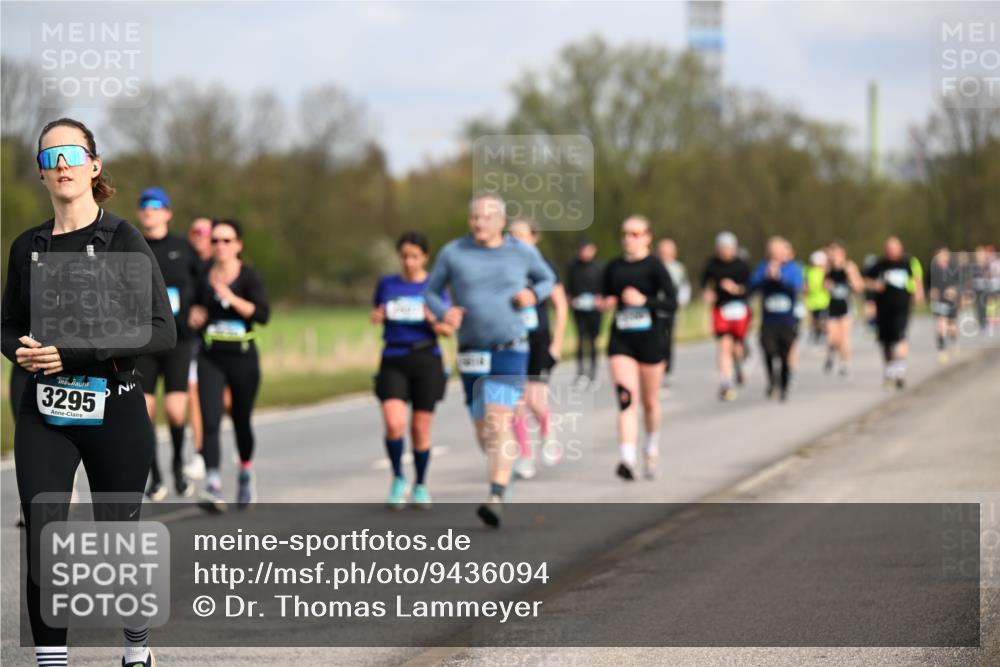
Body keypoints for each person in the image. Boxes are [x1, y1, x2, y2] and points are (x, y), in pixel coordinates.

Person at [2, 117, 176, 667]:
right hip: (44, 408)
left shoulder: (123, 239)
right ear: (40, 172)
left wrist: (75, 353)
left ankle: (136, 646)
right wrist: (19, 351)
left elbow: (161, 330)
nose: (62, 165)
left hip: (114, 407)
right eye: (50, 157)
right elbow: (8, 324)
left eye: (73, 154)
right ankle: (51, 659)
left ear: (94, 166)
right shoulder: (27, 246)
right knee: (44, 531)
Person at [423, 192, 555, 527]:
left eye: (486, 217)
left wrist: (532, 294)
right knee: (483, 429)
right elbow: (430, 291)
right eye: (474, 217)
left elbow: (547, 280)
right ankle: (504, 471)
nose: (479, 223)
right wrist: (444, 312)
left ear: (501, 220)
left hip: (511, 347)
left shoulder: (521, 251)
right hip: (471, 350)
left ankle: (495, 494)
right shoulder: (453, 252)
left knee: (498, 420)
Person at [188, 219, 271, 511]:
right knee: (210, 419)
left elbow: (262, 315)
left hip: (243, 358)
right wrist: (195, 314)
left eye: (226, 240)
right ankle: (213, 483)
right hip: (211, 356)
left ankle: (246, 472)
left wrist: (231, 298)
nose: (220, 246)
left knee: (241, 420)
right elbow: (195, 308)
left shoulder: (249, 276)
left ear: (238, 245)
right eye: (215, 240)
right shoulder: (204, 276)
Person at [371, 231, 454, 509]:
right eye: (405, 256)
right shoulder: (387, 284)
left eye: (414, 257)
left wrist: (434, 321)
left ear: (425, 258)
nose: (409, 262)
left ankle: (420, 483)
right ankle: (398, 478)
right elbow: (376, 313)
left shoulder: (435, 287)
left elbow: (447, 329)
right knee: (394, 423)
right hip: (394, 357)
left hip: (426, 359)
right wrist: (377, 316)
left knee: (419, 428)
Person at [135, 187, 202, 501]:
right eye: (144, 206)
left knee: (176, 411)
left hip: (178, 340)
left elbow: (203, 285)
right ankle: (156, 476)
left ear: (167, 213)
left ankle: (177, 466)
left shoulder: (183, 248)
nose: (149, 210)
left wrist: (200, 309)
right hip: (144, 343)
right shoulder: (132, 247)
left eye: (155, 205)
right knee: (144, 411)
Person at [602, 216, 677, 480]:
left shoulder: (655, 266)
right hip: (621, 341)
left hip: (651, 340)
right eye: (625, 234)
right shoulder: (613, 267)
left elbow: (672, 303)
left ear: (647, 237)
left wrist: (644, 301)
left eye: (635, 234)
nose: (629, 239)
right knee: (626, 399)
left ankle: (651, 448)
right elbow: (606, 295)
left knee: (650, 403)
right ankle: (627, 458)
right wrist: (607, 302)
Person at [508, 219, 569, 478]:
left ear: (534, 237)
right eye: (511, 236)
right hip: (512, 339)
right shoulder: (505, 266)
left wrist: (557, 343)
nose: (516, 241)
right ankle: (525, 455)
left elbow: (561, 305)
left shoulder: (544, 266)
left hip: (539, 339)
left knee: (535, 400)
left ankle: (547, 432)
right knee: (516, 402)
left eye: (521, 236)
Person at [864, 236, 924, 389]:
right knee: (886, 342)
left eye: (894, 248)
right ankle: (889, 371)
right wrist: (874, 285)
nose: (891, 251)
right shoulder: (879, 265)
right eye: (889, 248)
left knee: (900, 336)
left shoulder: (908, 263)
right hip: (883, 309)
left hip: (901, 307)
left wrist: (919, 293)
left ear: (900, 248)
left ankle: (900, 369)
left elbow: (917, 279)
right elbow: (865, 281)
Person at [749, 237, 804, 401]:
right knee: (768, 350)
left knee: (785, 354)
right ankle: (772, 379)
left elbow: (797, 286)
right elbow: (752, 286)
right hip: (769, 321)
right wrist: (766, 277)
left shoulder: (792, 268)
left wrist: (779, 277)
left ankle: (784, 383)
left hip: (787, 320)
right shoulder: (763, 267)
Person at [182, 217, 216, 482]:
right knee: (193, 393)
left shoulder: (220, 265)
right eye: (195, 231)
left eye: (204, 231)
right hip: (194, 340)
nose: (199, 235)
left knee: (224, 400)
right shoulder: (187, 263)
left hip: (222, 341)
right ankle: (201, 453)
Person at [700, 232, 751, 401]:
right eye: (722, 248)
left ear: (734, 248)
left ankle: (739, 365)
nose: (725, 251)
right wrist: (707, 293)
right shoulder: (712, 265)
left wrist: (736, 289)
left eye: (728, 248)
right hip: (721, 309)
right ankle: (725, 382)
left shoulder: (741, 265)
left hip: (739, 308)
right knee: (724, 345)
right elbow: (704, 283)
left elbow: (750, 288)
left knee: (737, 347)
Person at [565, 239, 603, 386]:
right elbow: (569, 287)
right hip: (579, 309)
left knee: (593, 341)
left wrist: (601, 299)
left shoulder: (599, 267)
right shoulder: (573, 267)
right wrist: (570, 298)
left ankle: (593, 374)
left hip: (594, 310)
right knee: (580, 340)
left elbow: (605, 288)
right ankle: (580, 373)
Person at [823, 241, 864, 376]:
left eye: (836, 253)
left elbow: (859, 286)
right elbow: (824, 285)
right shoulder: (828, 268)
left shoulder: (849, 267)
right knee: (832, 337)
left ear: (842, 253)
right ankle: (831, 353)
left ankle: (844, 363)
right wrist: (827, 286)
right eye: (832, 253)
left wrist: (851, 282)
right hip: (832, 305)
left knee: (844, 337)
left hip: (846, 305)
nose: (834, 256)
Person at [656, 238, 690, 383]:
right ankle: (656, 368)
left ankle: (667, 370)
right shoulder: (654, 266)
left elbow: (684, 287)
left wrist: (681, 302)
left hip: (670, 310)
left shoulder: (678, 268)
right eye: (662, 251)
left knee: (668, 341)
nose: (664, 254)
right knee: (657, 341)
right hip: (656, 309)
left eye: (667, 251)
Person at [929, 247, 960, 360]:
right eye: (940, 255)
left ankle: (953, 341)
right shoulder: (933, 270)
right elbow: (928, 284)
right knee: (941, 324)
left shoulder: (953, 269)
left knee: (951, 326)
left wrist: (954, 290)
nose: (943, 257)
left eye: (945, 255)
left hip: (951, 301)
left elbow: (960, 284)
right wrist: (932, 291)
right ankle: (942, 350)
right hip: (939, 301)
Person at [804, 250, 830, 343]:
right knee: (815, 319)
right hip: (813, 300)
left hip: (823, 300)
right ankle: (818, 332)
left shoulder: (825, 272)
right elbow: (806, 285)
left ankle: (823, 332)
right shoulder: (809, 271)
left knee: (823, 319)